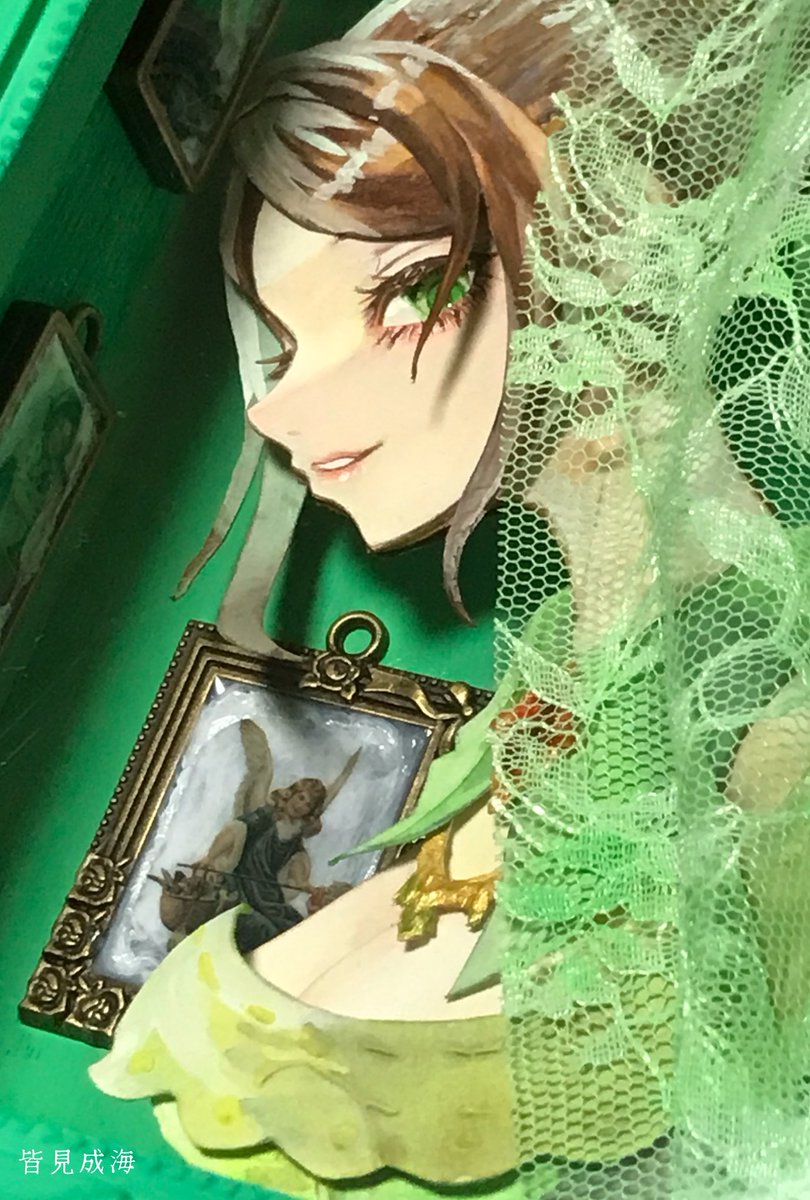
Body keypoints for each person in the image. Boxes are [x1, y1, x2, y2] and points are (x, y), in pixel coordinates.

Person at [90, 2, 810, 1198]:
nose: (273, 406)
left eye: (404, 293)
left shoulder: (761, 723)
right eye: (285, 340)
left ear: (617, 238)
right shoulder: (564, 656)